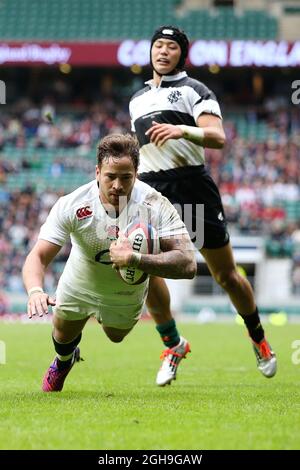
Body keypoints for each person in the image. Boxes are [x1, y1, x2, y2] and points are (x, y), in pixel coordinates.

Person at [129, 25, 277, 381]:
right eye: (158, 46)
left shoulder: (196, 90)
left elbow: (218, 137)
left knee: (225, 274)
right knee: (145, 271)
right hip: (152, 191)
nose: (163, 52)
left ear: (182, 54)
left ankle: (259, 340)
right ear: (150, 52)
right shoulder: (136, 99)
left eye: (171, 47)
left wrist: (182, 130)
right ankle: (173, 344)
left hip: (191, 187)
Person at [22, 133, 196, 392]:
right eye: (110, 176)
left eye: (126, 177)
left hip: (125, 288)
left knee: (115, 336)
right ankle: (63, 362)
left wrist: (136, 259)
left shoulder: (155, 204)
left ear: (136, 173)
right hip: (81, 275)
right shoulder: (73, 204)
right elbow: (37, 256)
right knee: (62, 334)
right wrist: (35, 290)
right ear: (97, 172)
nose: (117, 185)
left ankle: (152, 294)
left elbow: (189, 264)